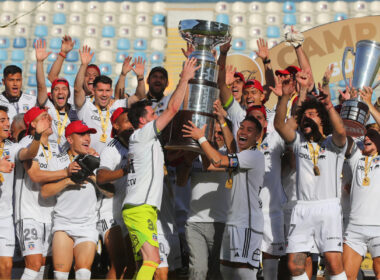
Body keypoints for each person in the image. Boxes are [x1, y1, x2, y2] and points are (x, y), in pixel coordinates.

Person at [121, 57, 199, 280]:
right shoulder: (144, 134)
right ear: (143, 121)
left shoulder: (144, 139)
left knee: (147, 262)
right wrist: (184, 79)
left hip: (139, 209)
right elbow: (173, 108)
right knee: (152, 260)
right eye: (153, 114)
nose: (157, 116)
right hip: (141, 208)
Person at [274, 76, 347, 279]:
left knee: (333, 263)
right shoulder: (298, 142)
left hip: (328, 208)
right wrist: (285, 98)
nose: (307, 117)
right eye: (304, 115)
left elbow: (341, 130)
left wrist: (329, 105)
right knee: (294, 265)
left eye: (312, 114)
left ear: (322, 118)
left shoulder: (334, 143)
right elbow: (279, 125)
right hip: (302, 208)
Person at [182, 115, 265, 280]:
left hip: (247, 225)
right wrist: (221, 120)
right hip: (231, 224)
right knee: (226, 273)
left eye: (250, 130)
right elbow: (210, 165)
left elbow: (218, 160)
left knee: (243, 274)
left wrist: (201, 138)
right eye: (241, 128)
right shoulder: (241, 157)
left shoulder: (254, 156)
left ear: (257, 138)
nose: (243, 132)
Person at [14, 107, 70, 280]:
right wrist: (66, 174)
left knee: (43, 265)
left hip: (51, 214)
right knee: (34, 264)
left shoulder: (55, 146)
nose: (50, 119)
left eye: (49, 116)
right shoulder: (26, 142)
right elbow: (35, 174)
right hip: (29, 214)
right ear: (34, 124)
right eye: (44, 117)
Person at [39, 121, 100, 280]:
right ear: (70, 139)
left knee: (83, 273)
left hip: (87, 224)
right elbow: (45, 192)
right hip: (63, 223)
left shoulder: (96, 160)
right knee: (60, 276)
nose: (87, 138)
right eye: (81, 134)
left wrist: (94, 177)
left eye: (88, 134)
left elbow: (109, 192)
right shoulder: (57, 160)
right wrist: (67, 179)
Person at [178, 110, 231, 280]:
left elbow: (212, 164)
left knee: (218, 273)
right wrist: (187, 160)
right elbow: (180, 182)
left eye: (219, 133)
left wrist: (202, 143)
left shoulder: (228, 155)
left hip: (221, 223)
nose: (216, 136)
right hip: (194, 222)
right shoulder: (194, 152)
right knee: (197, 271)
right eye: (212, 132)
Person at [0, 105, 49, 279]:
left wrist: (36, 137)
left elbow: (29, 152)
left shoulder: (12, 148)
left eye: (7, 120)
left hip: (4, 216)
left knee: (6, 266)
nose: (8, 124)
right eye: (2, 120)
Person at [343, 87, 380, 280]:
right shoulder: (356, 157)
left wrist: (370, 105)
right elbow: (343, 133)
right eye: (366, 135)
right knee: (346, 277)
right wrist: (350, 107)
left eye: (373, 136)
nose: (367, 138)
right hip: (355, 227)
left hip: (379, 227)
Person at [96, 107, 135, 279]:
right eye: (126, 121)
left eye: (132, 121)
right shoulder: (111, 148)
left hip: (128, 211)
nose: (131, 125)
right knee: (119, 263)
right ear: (115, 126)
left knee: (132, 265)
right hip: (110, 212)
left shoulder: (136, 145)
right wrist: (124, 170)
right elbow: (101, 176)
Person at [35, 39, 78, 152]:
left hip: (67, 158)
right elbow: (41, 86)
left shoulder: (75, 112)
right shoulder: (47, 106)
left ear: (69, 94)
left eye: (64, 89)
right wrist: (39, 62)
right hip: (47, 154)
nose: (60, 92)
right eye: (56, 89)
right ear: (51, 94)